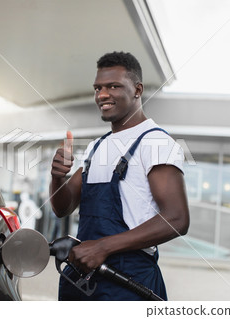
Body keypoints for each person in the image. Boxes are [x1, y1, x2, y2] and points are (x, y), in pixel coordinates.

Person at [49, 51, 190, 300]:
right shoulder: (97, 147)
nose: (102, 95)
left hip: (129, 281)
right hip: (84, 278)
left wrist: (103, 247)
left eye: (113, 86)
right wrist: (57, 177)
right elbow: (63, 207)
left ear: (137, 90)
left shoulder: (155, 142)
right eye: (98, 88)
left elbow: (176, 219)